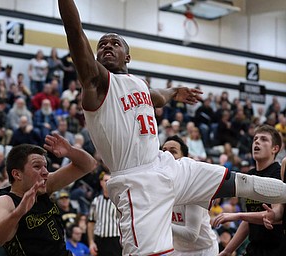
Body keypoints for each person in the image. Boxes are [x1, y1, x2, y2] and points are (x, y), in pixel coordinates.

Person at [59, 1, 286, 254]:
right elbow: (74, 31)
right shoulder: (97, 83)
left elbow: (157, 96)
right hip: (136, 183)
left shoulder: (139, 84)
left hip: (167, 165)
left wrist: (175, 92)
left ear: (128, 56)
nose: (107, 47)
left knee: (240, 181)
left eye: (115, 43)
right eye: (102, 45)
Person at [0, 133, 97, 256]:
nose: (45, 172)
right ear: (17, 174)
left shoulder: (45, 186)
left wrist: (70, 151)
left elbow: (89, 165)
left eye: (45, 166)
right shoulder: (6, 201)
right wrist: (18, 213)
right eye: (37, 167)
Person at [212, 125, 284, 256]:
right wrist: (228, 250)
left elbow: (277, 215)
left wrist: (238, 215)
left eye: (263, 139)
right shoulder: (250, 175)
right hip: (254, 247)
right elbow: (248, 220)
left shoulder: (278, 173)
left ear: (275, 148)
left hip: (276, 249)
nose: (257, 142)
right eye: (255, 139)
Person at [162, 135, 219, 256]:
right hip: (178, 250)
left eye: (173, 151)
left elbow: (191, 234)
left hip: (203, 250)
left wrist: (160, 222)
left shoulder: (193, 187)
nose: (167, 155)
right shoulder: (159, 186)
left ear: (184, 159)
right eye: (163, 151)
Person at [87, 171, 121, 256]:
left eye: (110, 180)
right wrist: (91, 242)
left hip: (115, 240)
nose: (108, 183)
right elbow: (91, 223)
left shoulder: (119, 200)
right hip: (99, 240)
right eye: (105, 180)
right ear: (101, 183)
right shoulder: (96, 201)